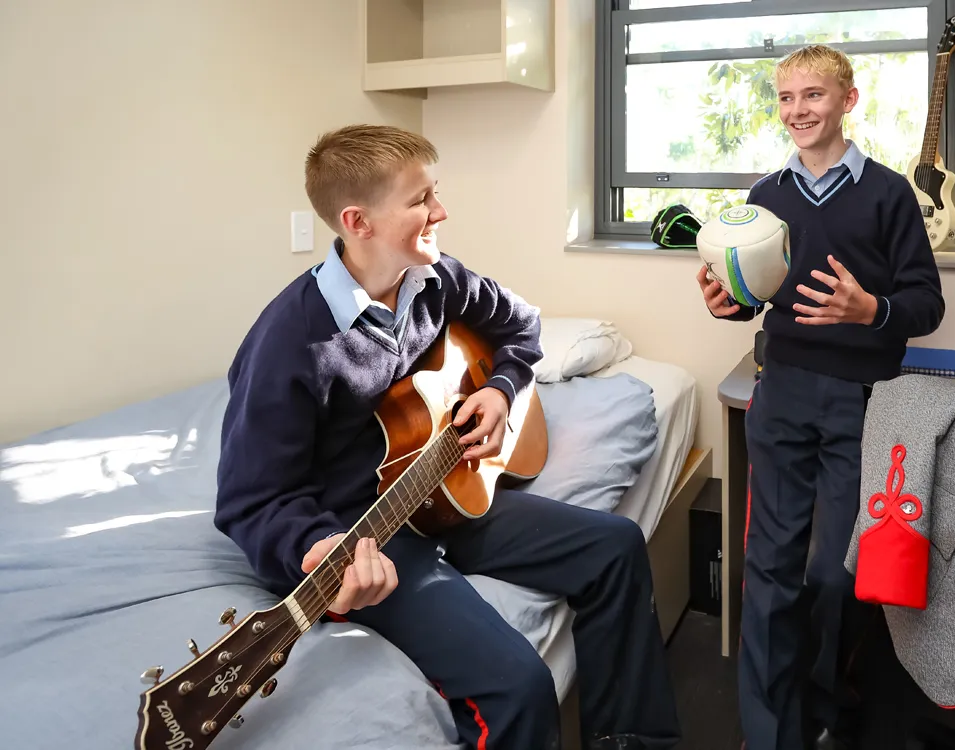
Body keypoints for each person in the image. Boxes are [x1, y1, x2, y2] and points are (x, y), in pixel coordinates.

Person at [214, 124, 680, 750]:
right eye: (420, 200)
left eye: (436, 191)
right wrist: (318, 546)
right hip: (364, 535)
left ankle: (631, 740)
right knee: (517, 684)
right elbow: (250, 501)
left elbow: (522, 326)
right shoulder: (291, 343)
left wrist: (500, 390)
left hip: (441, 498)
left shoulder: (435, 280)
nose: (442, 211)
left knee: (616, 546)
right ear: (359, 221)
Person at [696, 45, 945, 750]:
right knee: (769, 572)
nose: (798, 110)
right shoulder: (764, 199)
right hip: (783, 394)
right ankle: (769, 732)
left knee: (834, 576)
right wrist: (727, 306)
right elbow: (752, 300)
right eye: (785, 98)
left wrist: (871, 311)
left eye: (813, 95)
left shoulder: (890, 193)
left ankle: (826, 702)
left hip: (861, 401)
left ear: (848, 101)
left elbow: (926, 303)